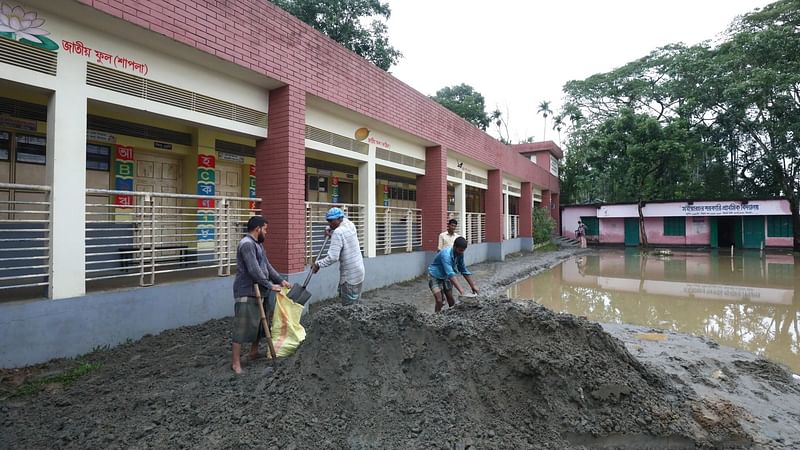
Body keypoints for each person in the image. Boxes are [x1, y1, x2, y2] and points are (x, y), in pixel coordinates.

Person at [231, 215, 291, 374]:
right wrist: (270, 285)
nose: (266, 232)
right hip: (247, 290)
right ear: (257, 229)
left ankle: (253, 352)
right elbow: (253, 270)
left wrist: (280, 280)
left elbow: (266, 266)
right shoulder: (246, 245)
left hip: (260, 290)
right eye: (265, 229)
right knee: (242, 326)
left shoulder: (258, 245)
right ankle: (236, 363)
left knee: (259, 324)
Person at [312, 207, 365, 305]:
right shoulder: (350, 225)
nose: (329, 223)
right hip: (358, 272)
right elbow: (339, 232)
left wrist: (318, 264)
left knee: (349, 307)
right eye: (328, 221)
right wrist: (329, 229)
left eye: (331, 221)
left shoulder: (338, 232)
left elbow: (333, 257)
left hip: (349, 276)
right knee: (356, 302)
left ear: (340, 219)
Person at [427, 236, 479, 313]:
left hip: (445, 276)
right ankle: (436, 318)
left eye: (463, 251)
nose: (461, 252)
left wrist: (473, 285)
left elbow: (463, 269)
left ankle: (454, 315)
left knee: (450, 298)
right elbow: (451, 274)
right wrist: (462, 292)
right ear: (454, 247)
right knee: (439, 300)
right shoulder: (446, 255)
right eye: (460, 250)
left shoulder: (460, 254)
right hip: (435, 276)